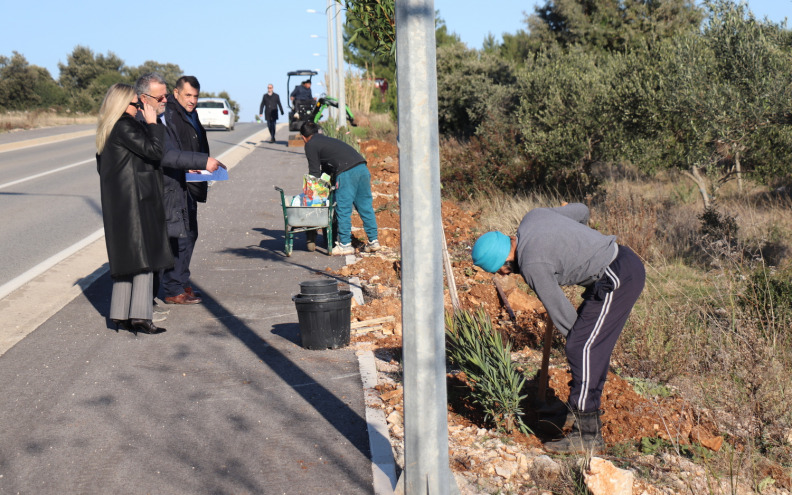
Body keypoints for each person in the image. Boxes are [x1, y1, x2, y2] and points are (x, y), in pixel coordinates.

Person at [471, 203, 645, 454]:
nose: (504, 273)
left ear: (503, 261)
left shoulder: (532, 265)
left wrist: (582, 345)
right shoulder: (533, 218)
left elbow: (562, 313)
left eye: (501, 269)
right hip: (620, 264)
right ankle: (579, 408)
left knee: (581, 347)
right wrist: (574, 246)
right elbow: (582, 211)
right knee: (586, 347)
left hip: (617, 278)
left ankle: (588, 434)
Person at [95, 83, 171, 335]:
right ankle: (140, 317)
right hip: (136, 202)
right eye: (135, 104)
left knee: (129, 258)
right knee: (144, 258)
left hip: (121, 203)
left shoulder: (109, 129)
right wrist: (152, 124)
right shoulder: (124, 125)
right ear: (122, 105)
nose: (139, 108)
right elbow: (155, 151)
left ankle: (119, 314)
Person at [157, 75, 225, 305]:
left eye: (195, 96)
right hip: (176, 184)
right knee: (181, 237)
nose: (192, 100)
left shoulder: (190, 113)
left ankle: (181, 281)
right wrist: (195, 163)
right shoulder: (169, 115)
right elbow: (170, 152)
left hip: (190, 181)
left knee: (191, 234)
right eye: (188, 95)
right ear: (176, 93)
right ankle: (173, 288)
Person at [300, 121, 380, 255]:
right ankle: (373, 241)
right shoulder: (326, 140)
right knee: (365, 207)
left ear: (303, 137)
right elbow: (326, 167)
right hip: (362, 168)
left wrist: (312, 193)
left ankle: (345, 245)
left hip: (347, 172)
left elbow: (314, 172)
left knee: (343, 208)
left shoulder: (310, 144)